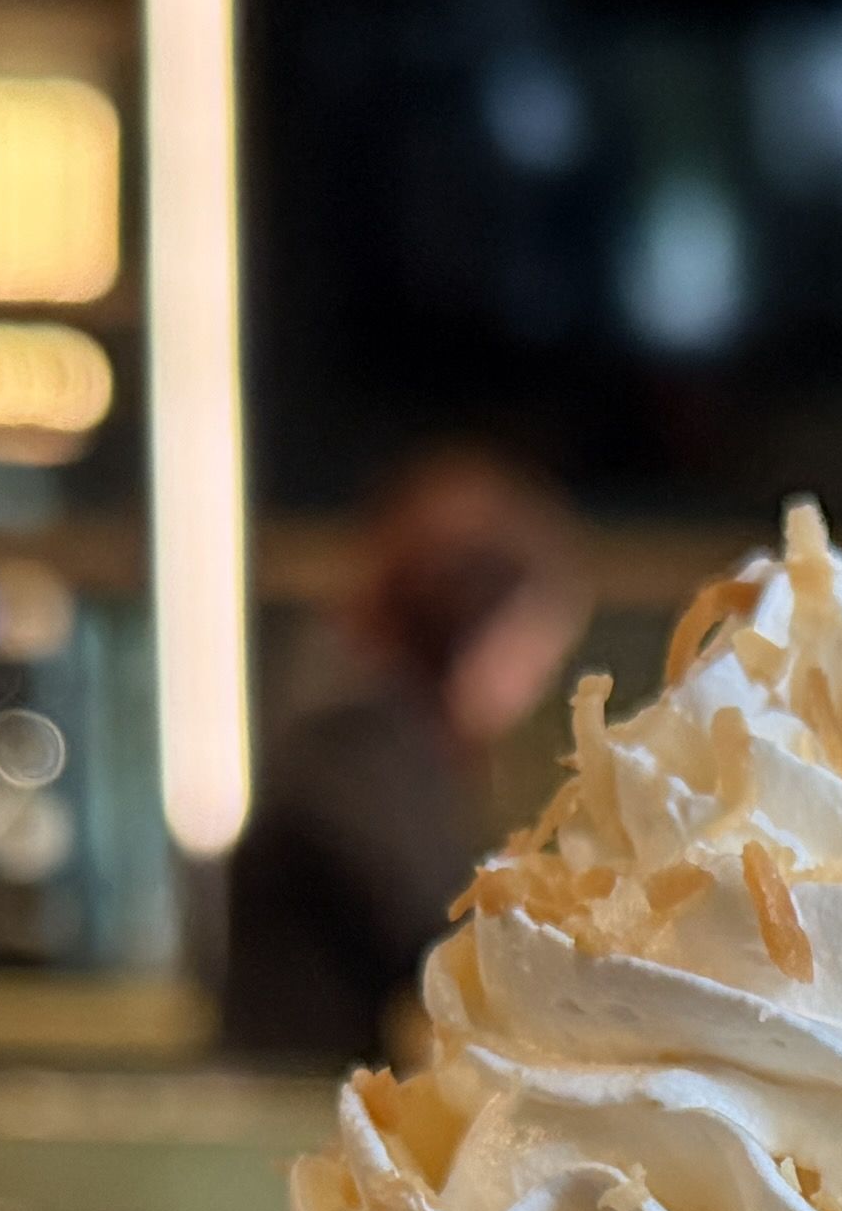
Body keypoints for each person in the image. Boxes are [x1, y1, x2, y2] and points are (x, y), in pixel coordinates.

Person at [216, 451, 589, 1066]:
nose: (533, 688)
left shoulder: (359, 730)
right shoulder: (359, 745)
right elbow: (449, 932)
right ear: (475, 628)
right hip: (298, 1108)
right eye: (533, 652)